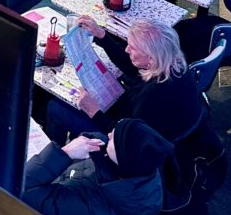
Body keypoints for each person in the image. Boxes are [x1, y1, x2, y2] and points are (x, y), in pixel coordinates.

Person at [45, 18, 204, 146]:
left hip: (134, 143)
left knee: (55, 107)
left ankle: (58, 159)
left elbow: (126, 137)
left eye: (132, 47)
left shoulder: (153, 94)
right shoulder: (173, 64)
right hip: (162, 127)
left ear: (150, 58)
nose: (127, 50)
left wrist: (93, 111)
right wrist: (102, 36)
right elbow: (133, 68)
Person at [22, 118, 172, 215]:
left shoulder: (92, 210)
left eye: (114, 138)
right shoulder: (141, 170)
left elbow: (23, 189)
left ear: (122, 159)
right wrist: (88, 141)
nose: (109, 134)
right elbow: (100, 138)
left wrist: (66, 153)